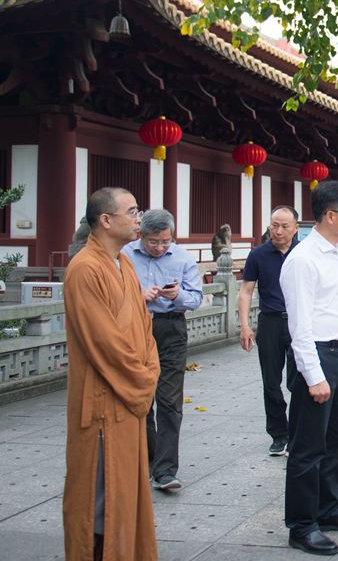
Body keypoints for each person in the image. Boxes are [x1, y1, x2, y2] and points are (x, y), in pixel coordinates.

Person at [62, 187, 160, 560]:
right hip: (104, 399)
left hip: (130, 392)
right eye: (133, 212)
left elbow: (142, 327)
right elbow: (104, 342)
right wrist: (143, 379)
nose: (139, 219)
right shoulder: (85, 269)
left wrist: (150, 368)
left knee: (126, 487)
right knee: (100, 491)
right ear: (106, 220)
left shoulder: (124, 262)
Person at [279, 181, 338, 556]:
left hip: (336, 353)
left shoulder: (335, 250)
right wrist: (314, 376)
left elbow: (337, 310)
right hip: (313, 356)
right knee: (307, 447)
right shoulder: (303, 260)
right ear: (331, 215)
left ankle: (328, 509)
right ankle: (301, 525)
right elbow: (300, 326)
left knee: (335, 440)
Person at [124, 209, 203, 492]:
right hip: (136, 328)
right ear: (141, 235)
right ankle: (149, 459)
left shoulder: (182, 257)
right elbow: (112, 294)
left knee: (169, 400)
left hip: (171, 328)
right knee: (140, 397)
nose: (159, 247)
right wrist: (137, 296)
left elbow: (196, 299)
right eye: (153, 242)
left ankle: (166, 470)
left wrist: (177, 295)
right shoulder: (124, 255)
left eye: (165, 241)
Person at [238, 205, 299, 456]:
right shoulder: (258, 255)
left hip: (299, 322)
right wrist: (244, 325)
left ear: (296, 228)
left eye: (285, 226)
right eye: (274, 225)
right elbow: (246, 291)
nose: (279, 231)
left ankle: (298, 431)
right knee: (271, 382)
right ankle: (278, 434)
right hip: (271, 321)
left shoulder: (304, 253)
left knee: (300, 380)